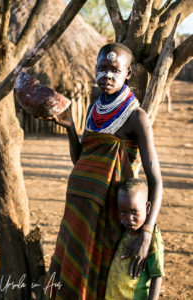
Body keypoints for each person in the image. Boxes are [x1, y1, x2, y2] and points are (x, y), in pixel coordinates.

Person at [43, 42, 163, 299]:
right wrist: (70, 127)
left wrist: (147, 232)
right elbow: (82, 160)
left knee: (97, 281)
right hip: (78, 211)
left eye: (115, 70)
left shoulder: (136, 117)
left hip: (108, 214)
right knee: (70, 273)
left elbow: (156, 180)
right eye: (102, 68)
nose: (106, 75)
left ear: (127, 74)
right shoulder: (93, 110)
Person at [105, 178, 164, 300]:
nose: (128, 219)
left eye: (134, 212)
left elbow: (157, 275)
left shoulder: (153, 239)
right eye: (123, 212)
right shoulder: (124, 231)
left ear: (147, 208)